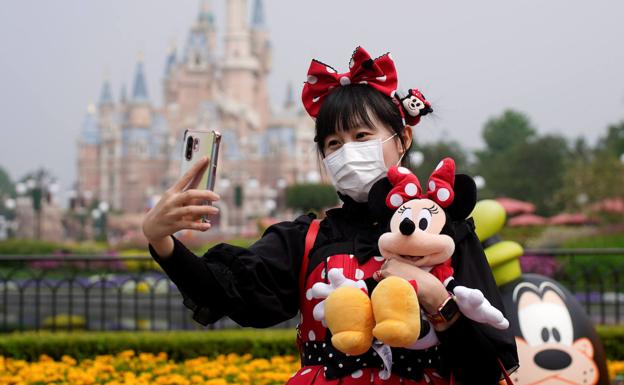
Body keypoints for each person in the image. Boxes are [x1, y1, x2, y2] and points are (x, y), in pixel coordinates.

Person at [142, 46, 518, 385]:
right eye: (334, 144)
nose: (347, 152)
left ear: (402, 140)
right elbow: (225, 290)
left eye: (362, 137)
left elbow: (486, 368)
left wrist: (438, 300)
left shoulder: (444, 235)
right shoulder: (307, 240)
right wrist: (160, 239)